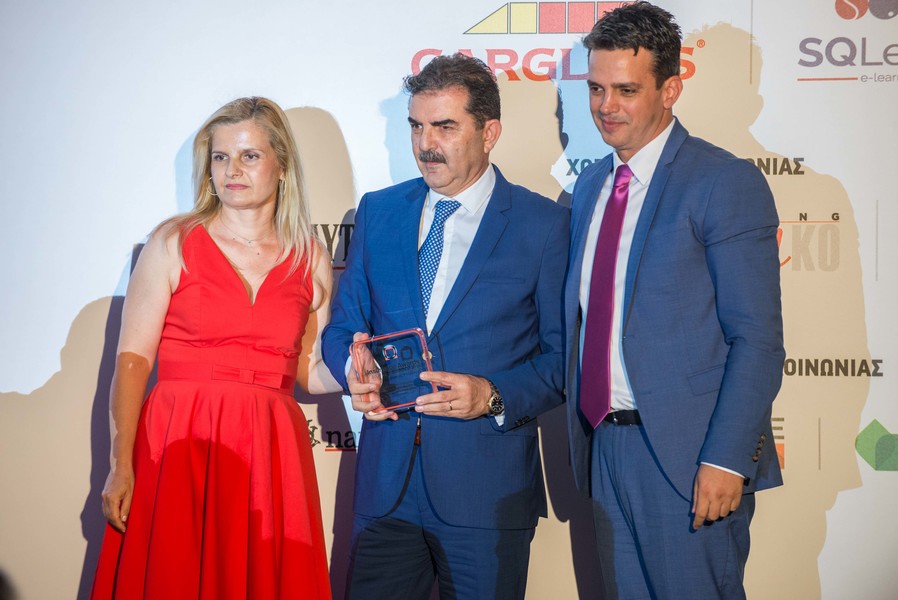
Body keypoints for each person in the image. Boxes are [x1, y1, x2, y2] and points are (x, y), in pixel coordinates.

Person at [321, 54, 568, 600]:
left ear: (490, 132)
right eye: (416, 126)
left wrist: (492, 394)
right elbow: (342, 329)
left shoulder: (544, 224)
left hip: (486, 492)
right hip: (385, 489)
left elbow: (563, 360)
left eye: (445, 126)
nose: (425, 144)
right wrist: (352, 369)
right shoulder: (379, 212)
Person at [563, 3, 785, 599]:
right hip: (604, 446)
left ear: (671, 89)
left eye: (626, 90)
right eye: (596, 88)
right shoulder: (590, 185)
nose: (606, 106)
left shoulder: (723, 182)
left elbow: (757, 340)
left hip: (691, 459)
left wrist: (727, 459)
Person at [90, 97, 338, 599]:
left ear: (282, 166)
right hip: (180, 439)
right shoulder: (173, 242)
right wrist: (121, 462)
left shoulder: (309, 256)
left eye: (249, 156)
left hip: (270, 449)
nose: (231, 170)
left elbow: (310, 371)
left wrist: (363, 377)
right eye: (220, 157)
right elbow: (133, 361)